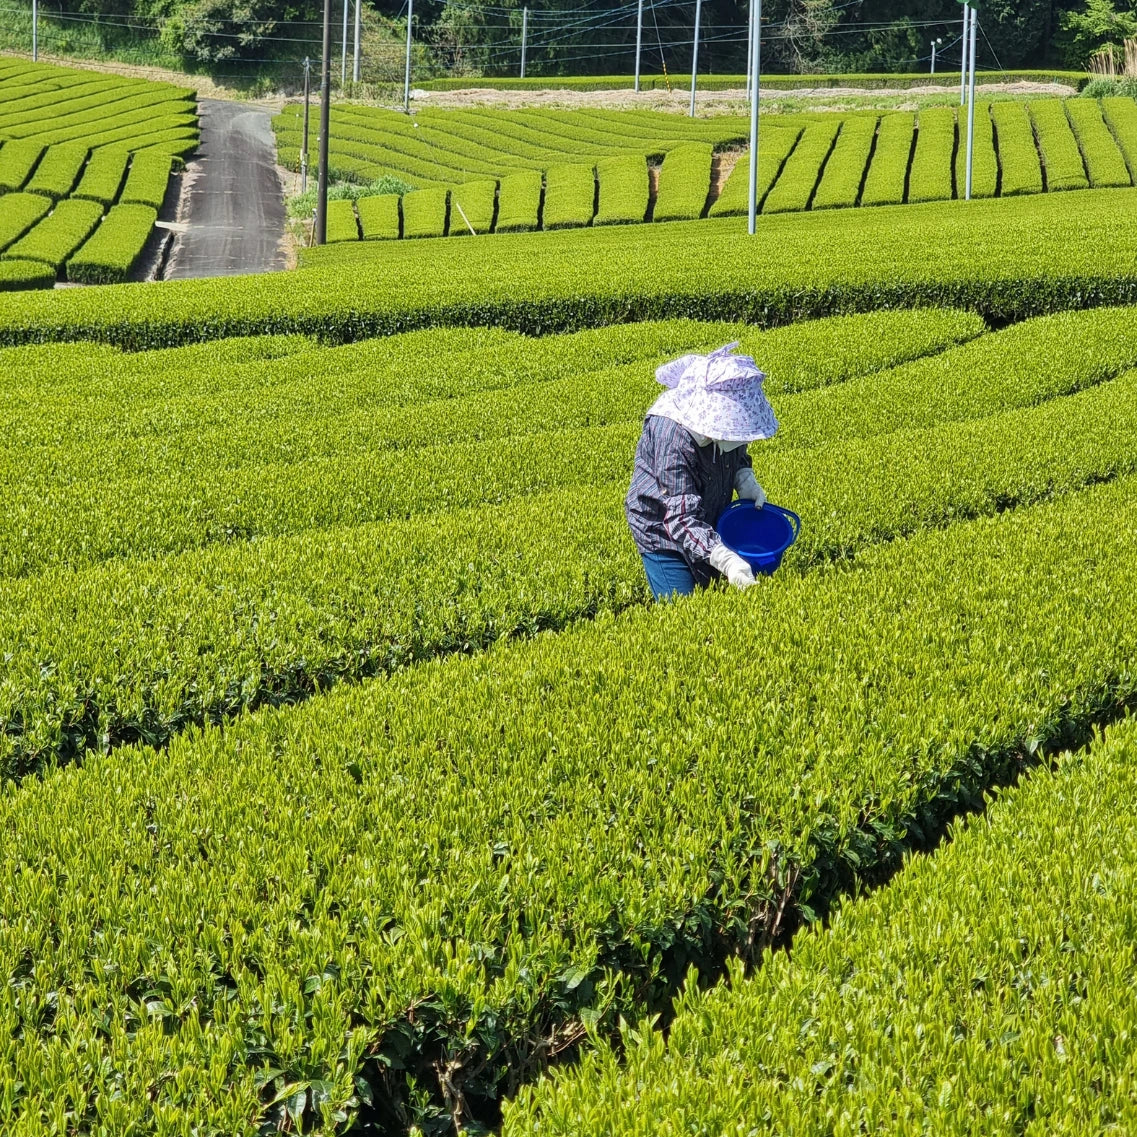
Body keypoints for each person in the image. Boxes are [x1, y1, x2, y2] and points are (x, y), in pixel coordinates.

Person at [625, 342, 778, 600]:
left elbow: (736, 448)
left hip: (707, 513)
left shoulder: (725, 429)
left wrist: (744, 479)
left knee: (716, 597)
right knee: (686, 609)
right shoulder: (671, 435)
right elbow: (680, 519)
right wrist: (726, 559)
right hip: (661, 529)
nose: (739, 437)